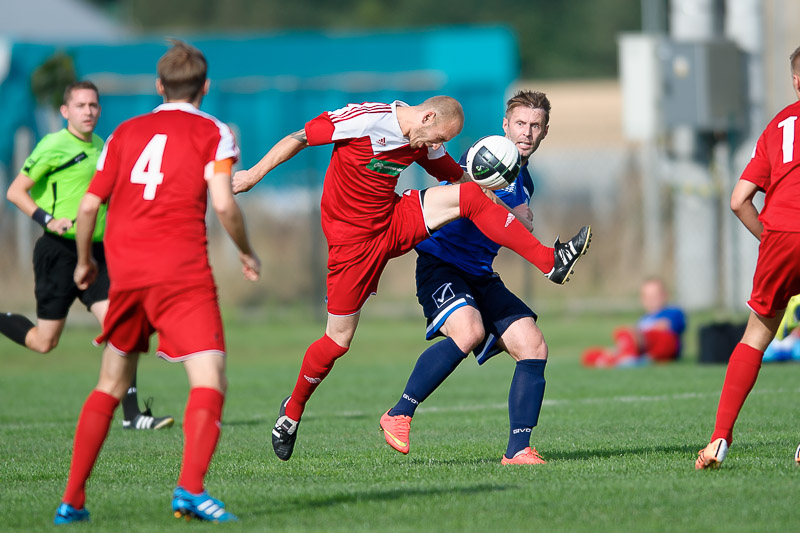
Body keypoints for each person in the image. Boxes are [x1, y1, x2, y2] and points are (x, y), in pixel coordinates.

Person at [232, 95, 591, 462]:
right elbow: (299, 137)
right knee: (337, 341)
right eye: (438, 137)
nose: (436, 146)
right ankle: (291, 412)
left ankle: (550, 261)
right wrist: (252, 175)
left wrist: (508, 210)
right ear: (427, 116)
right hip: (352, 246)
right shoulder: (367, 121)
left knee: (468, 195)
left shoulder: (426, 139)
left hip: (392, 219)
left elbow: (460, 180)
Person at [53, 40, 260, 524]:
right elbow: (224, 202)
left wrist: (84, 262)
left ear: (159, 86)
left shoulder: (124, 132)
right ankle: (190, 490)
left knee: (110, 382)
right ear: (205, 87)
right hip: (182, 273)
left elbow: (89, 205)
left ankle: (72, 502)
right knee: (209, 378)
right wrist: (246, 250)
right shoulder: (214, 131)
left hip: (126, 274)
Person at [376, 90, 572, 464]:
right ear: (505, 125)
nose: (527, 132)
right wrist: (514, 214)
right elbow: (469, 190)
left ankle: (518, 451)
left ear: (545, 132)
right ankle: (399, 413)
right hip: (442, 265)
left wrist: (517, 216)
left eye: (535, 126)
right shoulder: (487, 154)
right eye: (520, 123)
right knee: (468, 332)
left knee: (533, 345)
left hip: (480, 274)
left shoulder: (526, 181)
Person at [2, 81, 172, 431]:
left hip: (97, 254)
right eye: (80, 105)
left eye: (93, 105)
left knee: (122, 327)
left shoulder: (103, 147)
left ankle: (132, 415)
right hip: (57, 252)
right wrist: (48, 219)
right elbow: (15, 191)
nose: (88, 111)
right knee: (44, 342)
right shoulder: (53, 145)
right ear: (65, 111)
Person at [695, 45, 800, 470]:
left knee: (756, 337)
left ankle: (719, 440)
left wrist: (770, 239)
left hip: (779, 236)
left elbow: (739, 200)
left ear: (796, 80)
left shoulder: (778, 125)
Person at [581, 277, 686, 367]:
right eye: (647, 296)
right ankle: (618, 358)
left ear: (665, 295)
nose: (651, 299)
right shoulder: (643, 320)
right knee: (591, 355)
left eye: (655, 295)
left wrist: (636, 334)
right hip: (641, 350)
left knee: (627, 333)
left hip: (663, 347)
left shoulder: (673, 312)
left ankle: (625, 358)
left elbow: (666, 327)